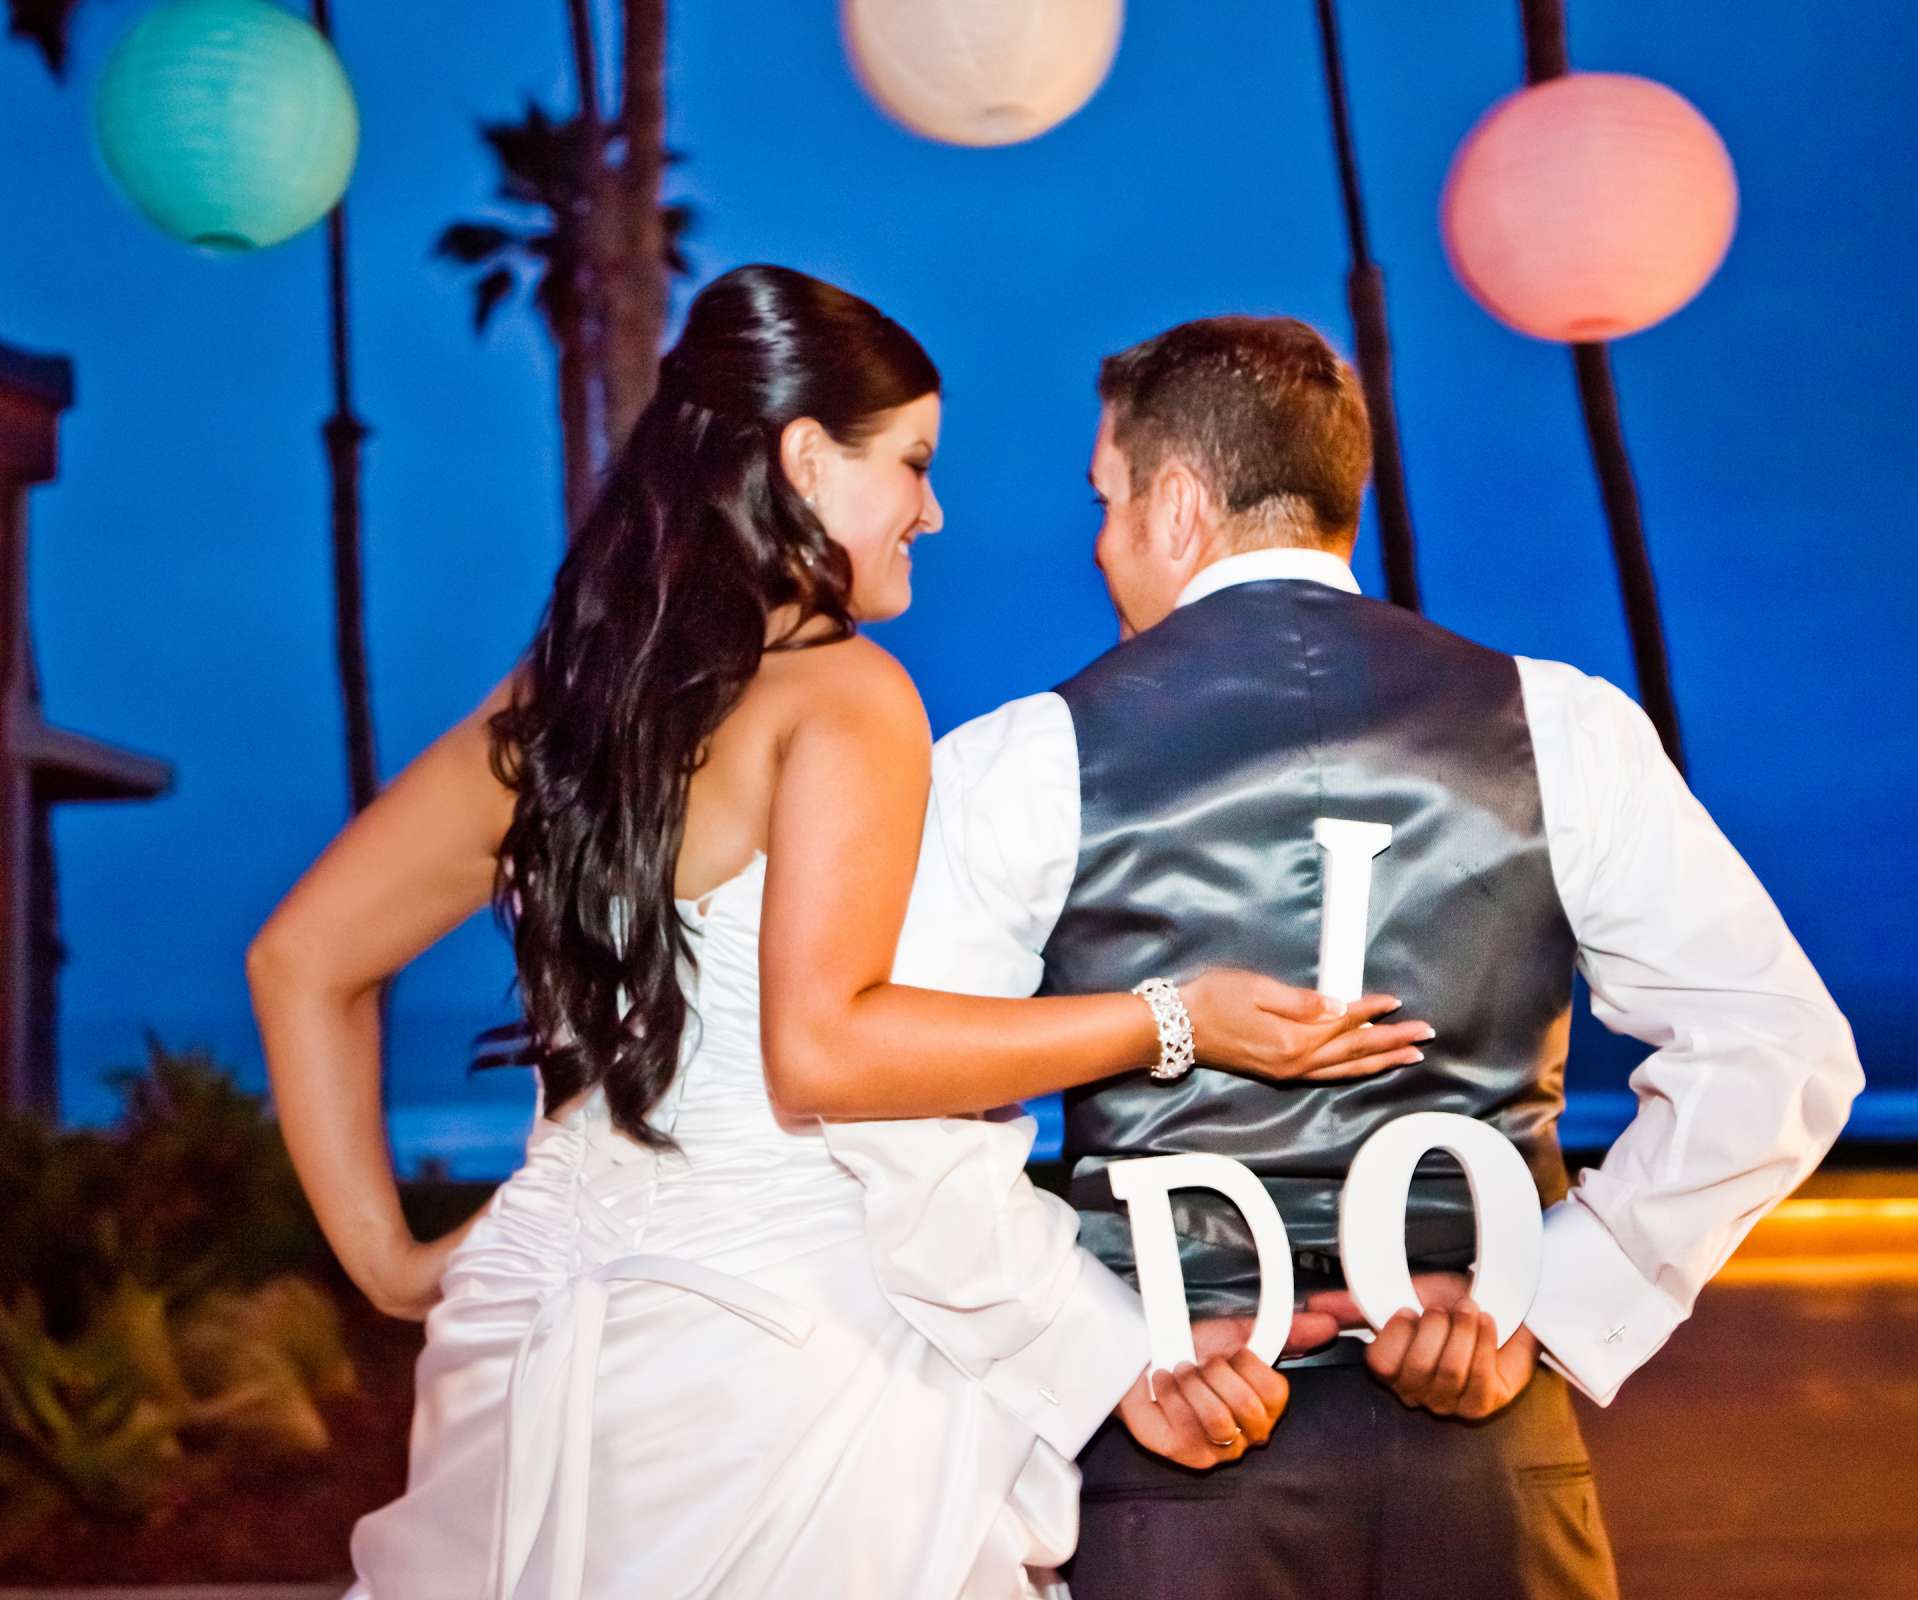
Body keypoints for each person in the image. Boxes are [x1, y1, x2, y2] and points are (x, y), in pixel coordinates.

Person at [244, 267, 1433, 1600]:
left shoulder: (564, 704)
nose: (933, 508)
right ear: (807, 457)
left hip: (529, 1320)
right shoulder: (846, 699)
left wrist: (397, 1271)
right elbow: (825, 1051)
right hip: (774, 1354)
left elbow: (300, 961)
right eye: (912, 464)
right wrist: (1173, 1017)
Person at [890, 314, 1866, 1599]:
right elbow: (1781, 1050)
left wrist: (1106, 1353)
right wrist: (1556, 1300)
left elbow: (900, 1108)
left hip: (1179, 1462)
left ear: (1178, 505)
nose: (1102, 544)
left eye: (1108, 500)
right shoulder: (1558, 725)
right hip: (1487, 1460)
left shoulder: (1026, 758)